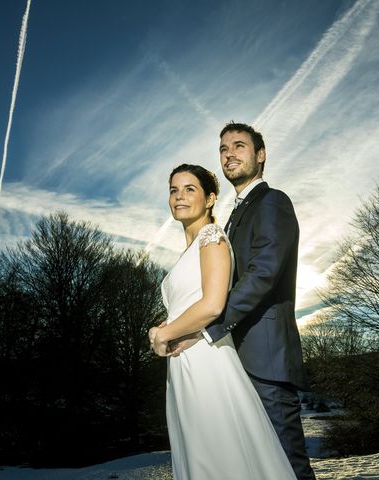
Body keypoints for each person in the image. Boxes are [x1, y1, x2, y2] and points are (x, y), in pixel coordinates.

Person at [170, 123, 316, 479]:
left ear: (261, 155)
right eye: (223, 149)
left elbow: (264, 273)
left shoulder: (271, 201)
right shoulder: (235, 214)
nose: (229, 154)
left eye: (239, 146)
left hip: (265, 358)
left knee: (287, 467)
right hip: (233, 360)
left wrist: (210, 327)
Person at [148, 164, 296, 480]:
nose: (179, 196)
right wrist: (170, 325)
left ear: (211, 198)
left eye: (190, 189)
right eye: (174, 190)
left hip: (206, 359)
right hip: (184, 364)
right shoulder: (190, 250)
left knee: (220, 458)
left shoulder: (212, 237)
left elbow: (213, 305)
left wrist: (164, 334)